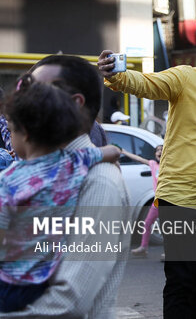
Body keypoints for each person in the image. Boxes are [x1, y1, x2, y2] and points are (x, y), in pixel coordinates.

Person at [98, 18, 196, 318]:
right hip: (181, 198)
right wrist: (116, 74)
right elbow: (146, 83)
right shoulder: (186, 78)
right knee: (182, 282)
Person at [2, 54, 129, 319]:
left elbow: (70, 301)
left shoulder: (99, 181)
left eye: (34, 90)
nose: (25, 98)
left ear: (74, 104)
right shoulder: (22, 171)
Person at [121, 145, 163, 257]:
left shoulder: (169, 166)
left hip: (167, 199)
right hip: (157, 201)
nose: (159, 152)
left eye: (162, 150)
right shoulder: (153, 164)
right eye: (157, 150)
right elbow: (138, 159)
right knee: (147, 223)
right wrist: (125, 152)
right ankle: (143, 247)